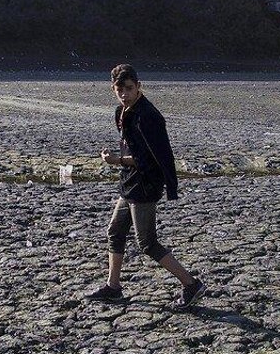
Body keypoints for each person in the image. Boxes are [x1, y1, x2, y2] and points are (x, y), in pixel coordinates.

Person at [86, 64, 205, 310]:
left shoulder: (148, 116)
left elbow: (151, 158)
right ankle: (113, 287)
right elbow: (134, 149)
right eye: (120, 89)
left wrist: (116, 161)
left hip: (145, 184)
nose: (124, 94)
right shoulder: (123, 111)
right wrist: (119, 159)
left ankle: (191, 284)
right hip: (130, 182)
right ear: (113, 89)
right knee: (115, 232)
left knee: (147, 243)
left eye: (129, 88)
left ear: (139, 87)